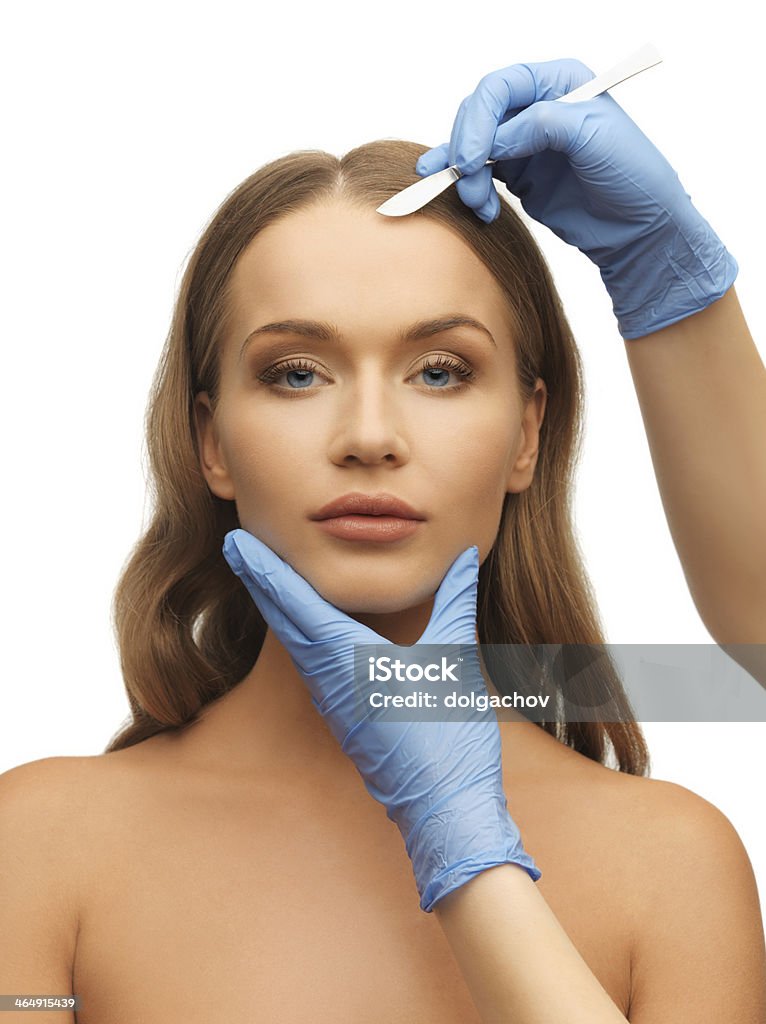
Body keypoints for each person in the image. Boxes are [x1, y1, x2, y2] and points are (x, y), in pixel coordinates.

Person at [1, 56, 764, 1023]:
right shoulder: (40, 844)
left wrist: (465, 850)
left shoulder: (673, 862)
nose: (368, 436)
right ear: (210, 442)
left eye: (441, 371)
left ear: (528, 434)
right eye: (296, 373)